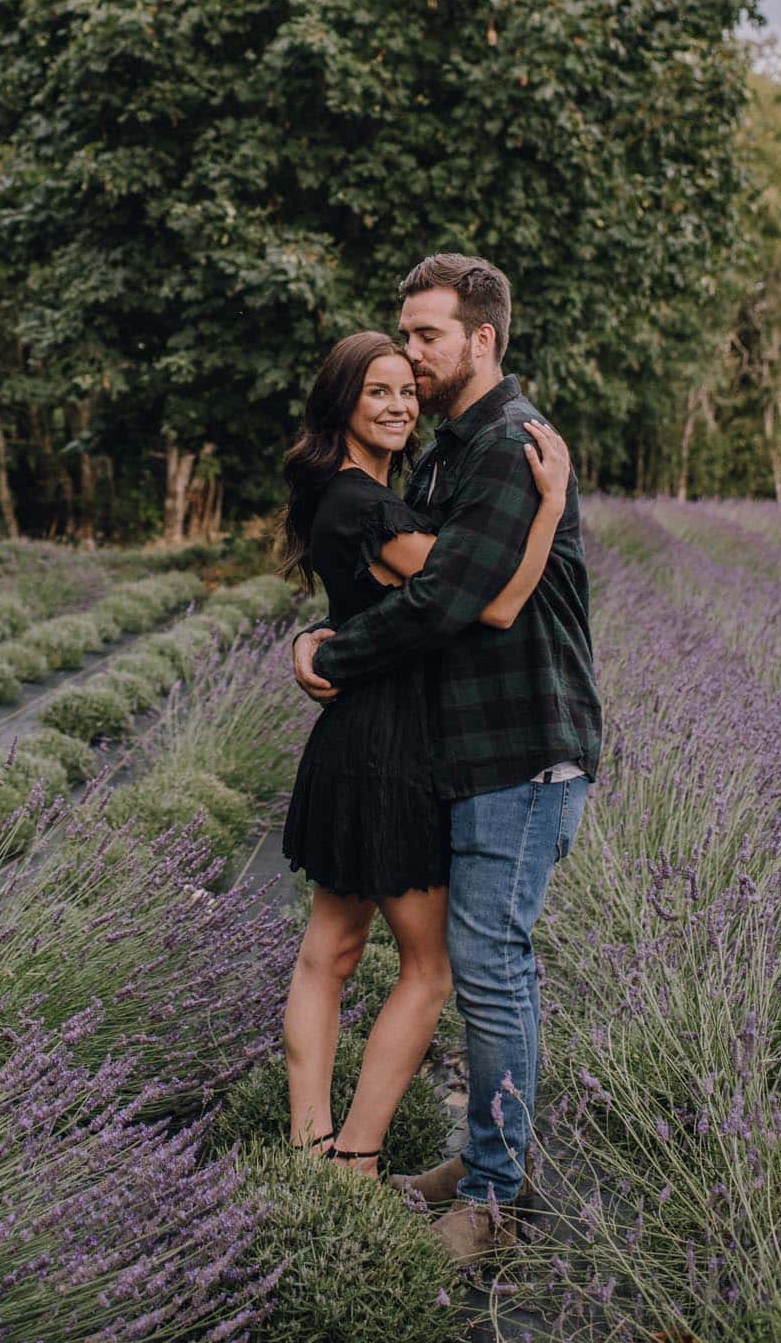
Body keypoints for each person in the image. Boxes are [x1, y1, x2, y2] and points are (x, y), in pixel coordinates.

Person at [293, 255, 601, 1264]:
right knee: (465, 963)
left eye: (425, 336)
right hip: (460, 747)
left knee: (488, 963)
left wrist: (326, 654)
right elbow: (394, 573)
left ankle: (495, 1195)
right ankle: (480, 1162)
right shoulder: (446, 453)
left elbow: (455, 600)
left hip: (521, 745)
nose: (410, 354)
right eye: (402, 335)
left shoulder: (513, 443)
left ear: (484, 339)